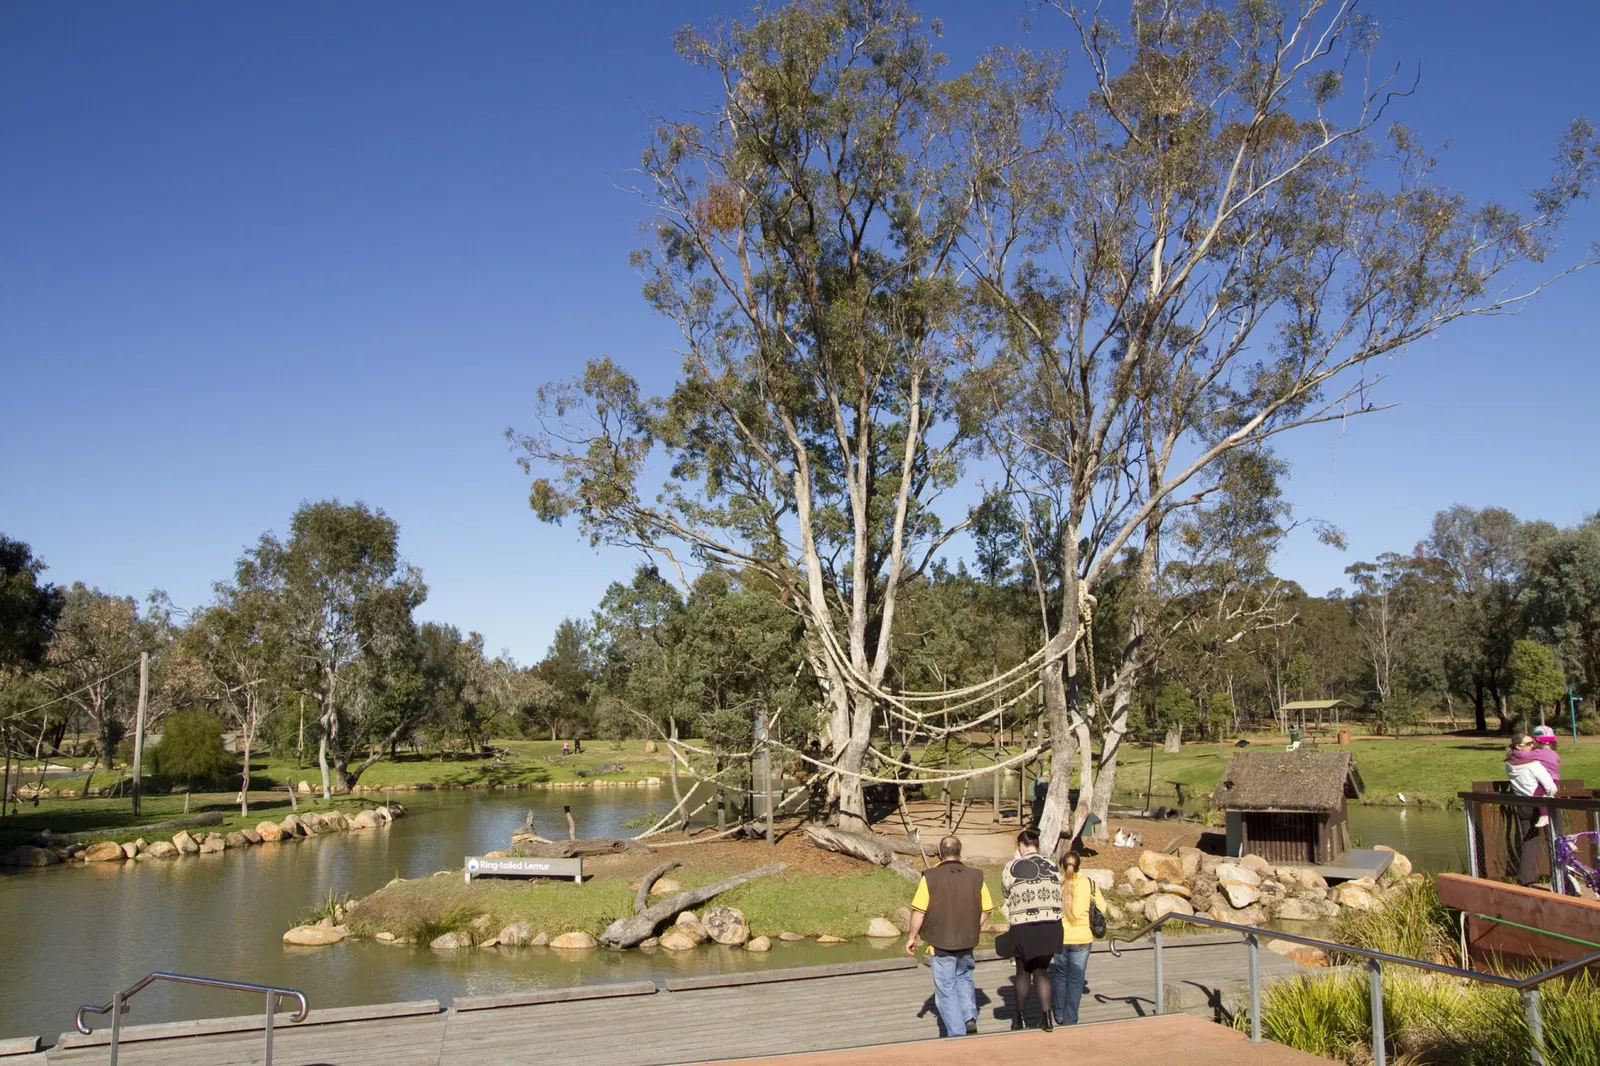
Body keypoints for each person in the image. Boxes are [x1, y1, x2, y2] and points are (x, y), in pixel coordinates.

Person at [906, 835, 992, 1037]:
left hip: (941, 942)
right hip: (967, 941)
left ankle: (956, 1033)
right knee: (964, 977)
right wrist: (974, 926)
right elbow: (987, 909)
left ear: (939, 852)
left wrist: (912, 937)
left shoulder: (930, 877)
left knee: (946, 989)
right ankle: (969, 1016)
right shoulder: (976, 876)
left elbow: (919, 911)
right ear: (960, 851)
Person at [1000, 828, 1064, 1030]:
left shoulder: (1012, 866)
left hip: (1024, 926)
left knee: (1022, 971)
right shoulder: (1053, 865)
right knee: (1041, 971)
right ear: (1036, 844)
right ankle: (1047, 1018)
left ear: (1020, 846)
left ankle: (1020, 1019)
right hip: (1052, 926)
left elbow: (1005, 892)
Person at [1050, 851, 1107, 1026]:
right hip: (1082, 938)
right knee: (1076, 979)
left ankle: (1058, 1014)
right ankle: (1070, 1018)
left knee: (1060, 975)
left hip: (1059, 937)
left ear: (1061, 864)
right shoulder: (1089, 884)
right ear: (1079, 865)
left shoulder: (1055, 884)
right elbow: (1102, 908)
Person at [1506, 732, 1559, 885]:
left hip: (1523, 805)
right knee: (1554, 840)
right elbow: (1550, 787)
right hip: (1542, 805)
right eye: (1529, 743)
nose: (1533, 745)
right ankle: (1558, 878)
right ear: (1519, 746)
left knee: (1529, 842)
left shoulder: (1510, 764)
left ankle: (1525, 879)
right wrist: (1548, 792)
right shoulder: (1534, 764)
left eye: (1533, 743)